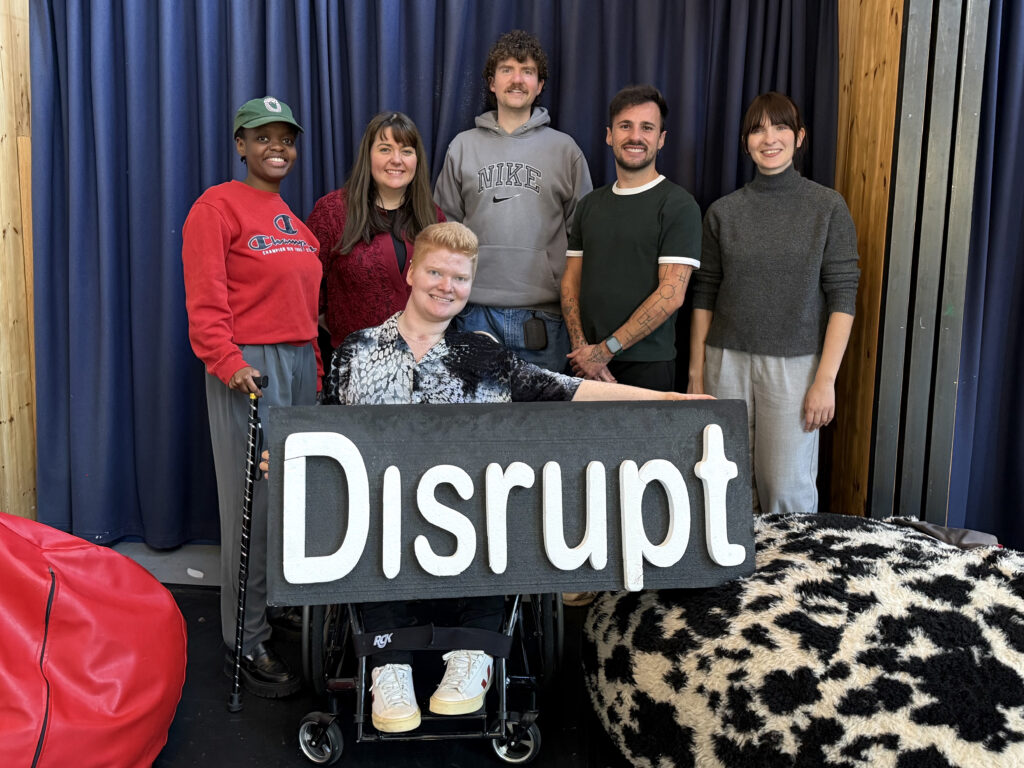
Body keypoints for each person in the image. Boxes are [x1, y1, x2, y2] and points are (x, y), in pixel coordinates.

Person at [319, 222, 710, 733]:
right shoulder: (356, 351)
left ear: (470, 285)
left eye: (459, 278)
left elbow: (570, 389)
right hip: (384, 525)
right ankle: (388, 667)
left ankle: (474, 655)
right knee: (375, 518)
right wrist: (284, 459)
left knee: (496, 509)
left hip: (466, 523)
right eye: (435, 271)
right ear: (412, 272)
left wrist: (671, 401)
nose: (445, 285)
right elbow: (324, 434)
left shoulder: (484, 356)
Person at [182, 96, 320, 698]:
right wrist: (228, 362)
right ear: (240, 145)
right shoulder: (217, 207)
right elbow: (206, 300)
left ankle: (277, 602)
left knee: (297, 496)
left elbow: (304, 308)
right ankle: (247, 636)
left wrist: (312, 363)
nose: (276, 147)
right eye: (262, 137)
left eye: (285, 138)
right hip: (249, 368)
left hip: (298, 365)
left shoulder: (291, 218)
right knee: (254, 503)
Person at [688, 91, 860, 515]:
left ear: (799, 137)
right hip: (724, 361)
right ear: (746, 141)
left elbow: (843, 296)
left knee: (786, 489)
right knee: (723, 483)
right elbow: (705, 293)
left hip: (796, 365)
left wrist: (826, 380)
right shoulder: (723, 213)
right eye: (757, 129)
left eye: (780, 126)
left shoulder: (827, 208)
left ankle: (790, 578)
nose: (770, 138)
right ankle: (729, 580)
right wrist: (695, 377)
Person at [433, 29, 592, 373]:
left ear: (540, 85)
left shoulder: (565, 150)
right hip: (472, 312)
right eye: (507, 69)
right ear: (491, 83)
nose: (517, 79)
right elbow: (444, 232)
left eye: (527, 71)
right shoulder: (462, 146)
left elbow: (583, 239)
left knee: (541, 424)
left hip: (544, 319)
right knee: (475, 425)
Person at [561, 85, 701, 392]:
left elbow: (672, 294)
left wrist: (605, 351)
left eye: (647, 128)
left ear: (661, 139)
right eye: (626, 126)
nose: (635, 136)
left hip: (648, 366)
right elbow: (571, 281)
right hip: (583, 363)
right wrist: (584, 351)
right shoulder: (589, 205)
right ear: (610, 135)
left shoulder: (678, 205)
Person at [306, 111, 445, 351]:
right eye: (385, 149)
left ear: (417, 160)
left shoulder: (433, 217)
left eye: (406, 151)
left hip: (422, 363)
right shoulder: (333, 211)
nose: (396, 159)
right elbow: (307, 282)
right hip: (354, 364)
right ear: (368, 156)